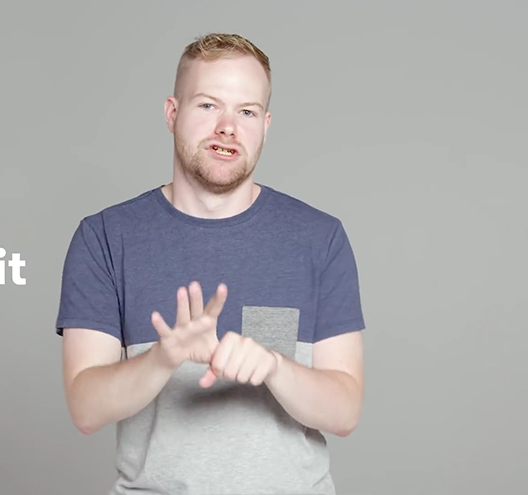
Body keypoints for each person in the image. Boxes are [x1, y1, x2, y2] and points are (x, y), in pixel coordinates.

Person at [55, 32, 365, 495]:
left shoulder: (319, 238)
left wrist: (275, 367)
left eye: (247, 111)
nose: (228, 127)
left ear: (266, 124)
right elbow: (86, 408)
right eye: (207, 105)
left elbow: (344, 413)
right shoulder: (105, 238)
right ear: (172, 113)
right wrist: (163, 358)